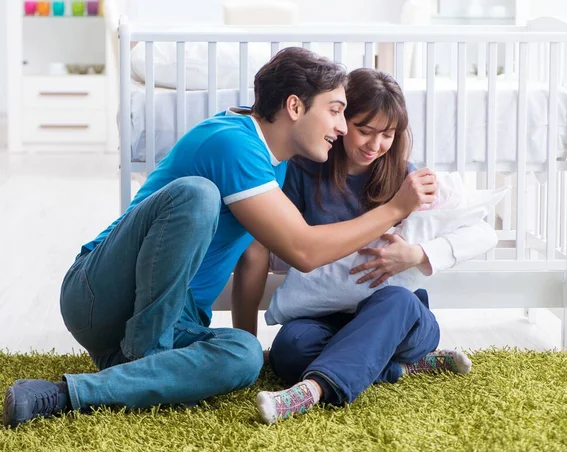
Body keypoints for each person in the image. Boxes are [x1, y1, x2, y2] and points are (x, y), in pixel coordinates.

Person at [3, 48, 438, 429]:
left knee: (245, 355)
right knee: (198, 195)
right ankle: (145, 356)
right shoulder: (231, 143)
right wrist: (396, 208)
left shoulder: (276, 163)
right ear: (294, 106)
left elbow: (253, 254)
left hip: (180, 319)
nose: (342, 127)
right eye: (336, 110)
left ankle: (68, 393)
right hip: (100, 296)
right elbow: (303, 251)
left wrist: (246, 335)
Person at [230, 68, 495, 424]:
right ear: (341, 121)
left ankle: (310, 392)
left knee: (397, 301)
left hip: (399, 318)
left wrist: (416, 254)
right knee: (289, 351)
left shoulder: (406, 177)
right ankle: (401, 369)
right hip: (322, 317)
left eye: (387, 135)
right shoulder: (305, 173)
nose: (375, 145)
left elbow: (481, 232)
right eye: (364, 131)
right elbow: (265, 243)